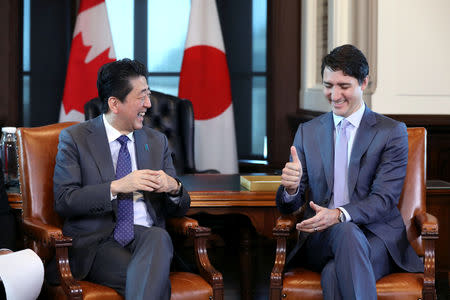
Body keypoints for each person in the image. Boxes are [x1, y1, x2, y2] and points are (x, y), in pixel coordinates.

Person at [276, 44, 423, 299]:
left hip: (375, 237)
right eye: (328, 85)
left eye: (343, 86)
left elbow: (384, 199)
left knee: (334, 273)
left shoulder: (390, 132)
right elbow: (291, 204)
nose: (334, 95)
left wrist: (339, 214)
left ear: (363, 83)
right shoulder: (308, 132)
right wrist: (290, 189)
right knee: (343, 233)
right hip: (321, 238)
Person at [52, 59, 190, 299]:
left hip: (148, 241)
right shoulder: (75, 139)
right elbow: (65, 200)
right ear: (114, 104)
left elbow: (181, 206)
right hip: (97, 244)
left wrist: (173, 188)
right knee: (153, 281)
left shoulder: (157, 142)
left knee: (158, 238)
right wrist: (118, 187)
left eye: (148, 94)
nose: (148, 104)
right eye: (141, 97)